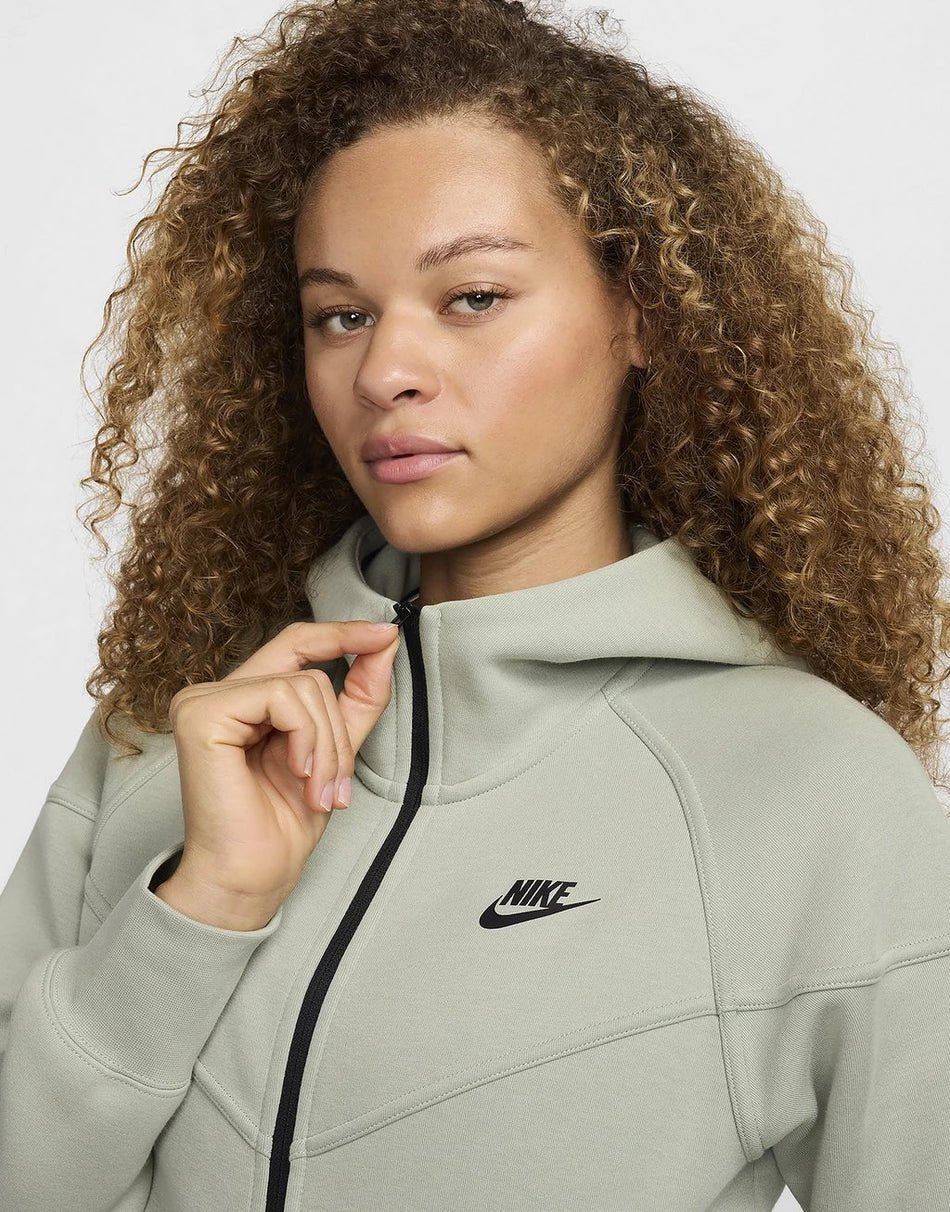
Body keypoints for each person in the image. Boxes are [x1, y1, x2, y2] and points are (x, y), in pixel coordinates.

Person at [2, 0, 949, 1208]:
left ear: (639, 312)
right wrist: (201, 909)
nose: (385, 370)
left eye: (472, 298)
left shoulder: (808, 795)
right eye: (340, 316)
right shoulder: (176, 733)